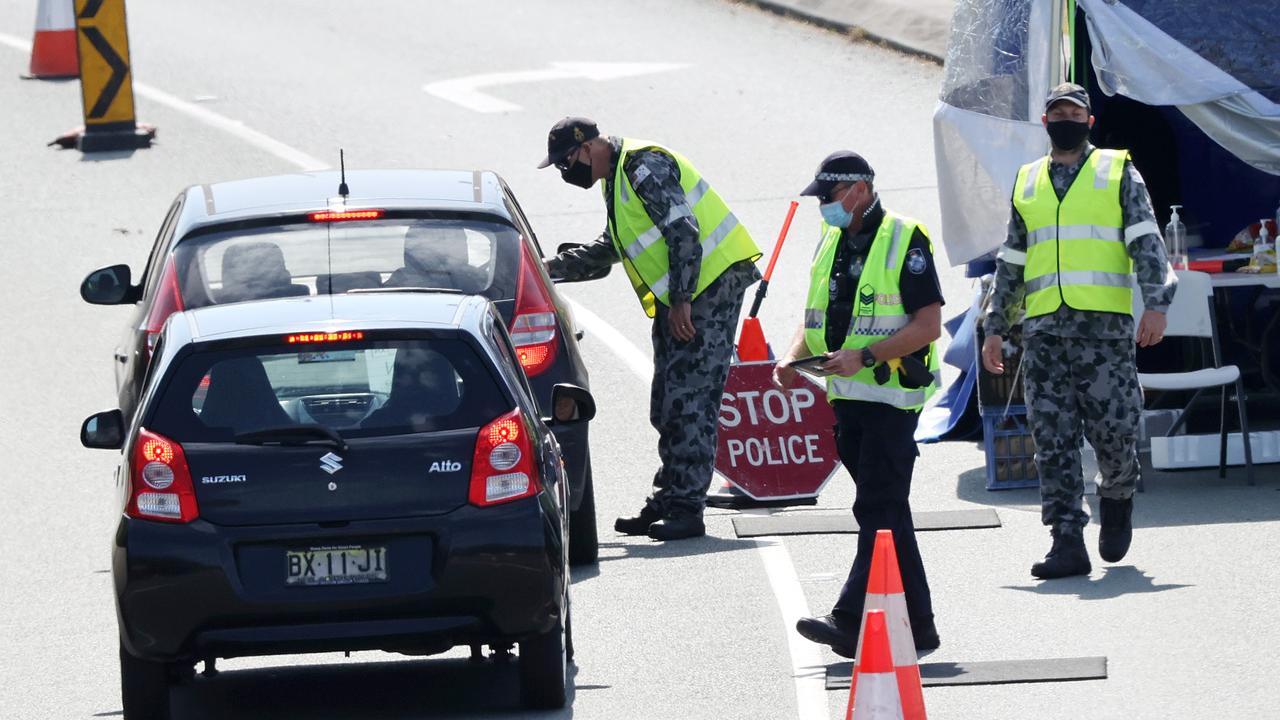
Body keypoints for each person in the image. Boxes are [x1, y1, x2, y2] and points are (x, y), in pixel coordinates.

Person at [981, 83, 1177, 580]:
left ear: (1089, 121)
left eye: (1074, 111)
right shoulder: (1027, 180)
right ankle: (1066, 540)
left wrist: (1157, 303)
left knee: (1114, 432)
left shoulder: (1116, 172)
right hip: (1044, 334)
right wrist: (994, 325)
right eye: (1056, 112)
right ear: (1045, 123)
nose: (1065, 118)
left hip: (1104, 333)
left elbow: (1145, 239)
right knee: (1053, 441)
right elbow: (1012, 260)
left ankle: (1117, 494)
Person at [537, 117, 762, 541]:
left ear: (586, 148)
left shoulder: (644, 168)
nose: (567, 173)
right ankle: (669, 495)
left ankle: (687, 508)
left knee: (690, 399)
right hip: (685, 293)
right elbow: (613, 247)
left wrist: (681, 300)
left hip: (707, 288)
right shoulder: (615, 178)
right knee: (666, 402)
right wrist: (550, 269)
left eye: (566, 163)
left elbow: (684, 231)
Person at [775, 151, 942, 656]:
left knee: (876, 506)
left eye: (827, 197)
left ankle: (848, 618)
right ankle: (922, 628)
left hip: (891, 399)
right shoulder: (831, 241)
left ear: (859, 191)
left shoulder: (903, 238)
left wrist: (865, 356)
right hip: (847, 400)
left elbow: (927, 325)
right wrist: (790, 358)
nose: (822, 207)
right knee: (888, 511)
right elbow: (816, 318)